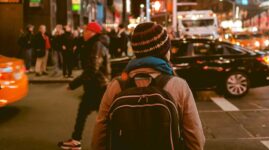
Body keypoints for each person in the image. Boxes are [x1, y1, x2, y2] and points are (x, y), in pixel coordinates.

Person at [91, 22, 205, 150]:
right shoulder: (178, 86)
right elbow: (196, 140)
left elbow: (98, 138)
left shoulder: (116, 86)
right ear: (163, 52)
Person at [58, 22, 111, 150]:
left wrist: (74, 84)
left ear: (93, 32)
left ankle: (77, 140)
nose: (84, 33)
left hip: (97, 86)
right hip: (96, 85)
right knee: (94, 115)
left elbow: (92, 68)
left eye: (87, 31)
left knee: (102, 117)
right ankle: (76, 140)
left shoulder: (96, 45)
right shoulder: (93, 44)